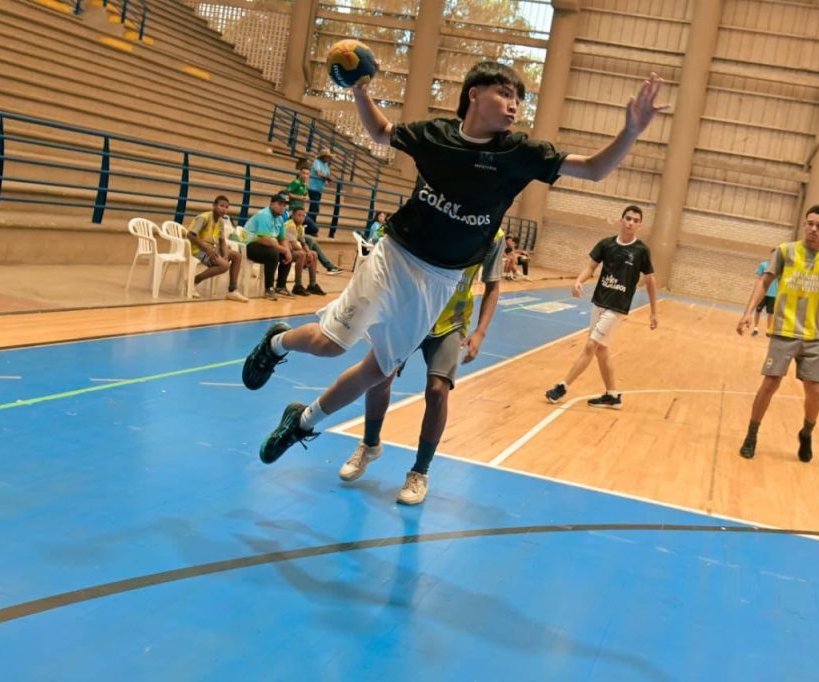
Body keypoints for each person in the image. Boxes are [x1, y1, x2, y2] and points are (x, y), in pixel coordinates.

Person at [241, 60, 667, 467]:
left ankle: (301, 422)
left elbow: (593, 169)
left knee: (378, 369)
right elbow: (381, 132)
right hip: (395, 255)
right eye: (505, 94)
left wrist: (630, 131)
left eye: (519, 99)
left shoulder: (519, 152)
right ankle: (276, 343)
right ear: (474, 95)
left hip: (441, 279)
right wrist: (359, 90)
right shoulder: (436, 135)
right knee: (333, 344)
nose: (514, 105)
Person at [339, 230, 504, 505]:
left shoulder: (494, 236)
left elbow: (493, 286)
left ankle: (420, 472)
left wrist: (480, 331)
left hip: (451, 322)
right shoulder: (435, 215)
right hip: (411, 312)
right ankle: (369, 444)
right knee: (381, 376)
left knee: (438, 390)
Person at [735, 204, 819, 463]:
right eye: (810, 223)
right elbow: (764, 281)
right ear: (804, 224)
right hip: (783, 331)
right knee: (770, 383)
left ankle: (807, 433)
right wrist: (748, 312)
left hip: (814, 336)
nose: (813, 228)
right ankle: (751, 435)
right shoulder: (785, 251)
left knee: (815, 390)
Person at [544, 205, 657, 409]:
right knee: (601, 350)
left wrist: (653, 312)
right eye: (628, 218)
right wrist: (579, 281)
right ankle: (612, 395)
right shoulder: (606, 244)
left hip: (617, 308)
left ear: (640, 225)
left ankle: (562, 387)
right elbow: (591, 267)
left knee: (591, 346)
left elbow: (650, 281)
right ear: (621, 220)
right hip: (600, 302)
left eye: (635, 220)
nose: (631, 223)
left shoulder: (641, 251)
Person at [185, 195, 248, 302]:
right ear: (214, 205)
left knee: (237, 256)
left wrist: (225, 254)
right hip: (198, 250)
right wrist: (207, 249)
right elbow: (190, 235)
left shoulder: (220, 221)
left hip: (212, 249)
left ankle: (232, 291)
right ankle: (193, 281)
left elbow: (222, 241)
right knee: (224, 265)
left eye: (226, 207)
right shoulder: (204, 218)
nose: (224, 209)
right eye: (221, 206)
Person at [241, 193, 292, 301]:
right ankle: (269, 288)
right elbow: (264, 239)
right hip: (248, 245)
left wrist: (287, 251)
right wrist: (283, 249)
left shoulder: (280, 219)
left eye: (284, 205)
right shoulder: (264, 215)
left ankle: (281, 286)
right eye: (280, 204)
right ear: (271, 204)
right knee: (273, 254)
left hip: (264, 245)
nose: (282, 207)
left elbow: (283, 239)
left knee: (287, 253)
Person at [282, 207, 326, 297]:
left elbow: (303, 243)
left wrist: (308, 253)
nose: (301, 218)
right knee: (301, 254)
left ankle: (312, 285)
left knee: (314, 254)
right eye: (299, 215)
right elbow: (294, 244)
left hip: (292, 250)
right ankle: (297, 285)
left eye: (303, 216)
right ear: (292, 216)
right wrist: (306, 253)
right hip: (284, 250)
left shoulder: (300, 227)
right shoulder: (290, 225)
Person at [751, 248, 778, 336]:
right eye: (773, 254)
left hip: (773, 294)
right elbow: (759, 279)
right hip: (762, 293)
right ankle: (755, 329)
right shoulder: (763, 265)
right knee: (758, 310)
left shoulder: (780, 268)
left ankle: (768, 330)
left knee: (771, 313)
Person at [308, 148, 334, 226]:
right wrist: (328, 178)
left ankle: (311, 224)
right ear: (324, 157)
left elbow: (327, 174)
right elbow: (319, 173)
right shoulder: (317, 162)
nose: (329, 159)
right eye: (328, 157)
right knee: (314, 208)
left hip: (319, 189)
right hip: (313, 188)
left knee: (315, 208)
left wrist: (329, 178)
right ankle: (310, 224)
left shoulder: (325, 165)